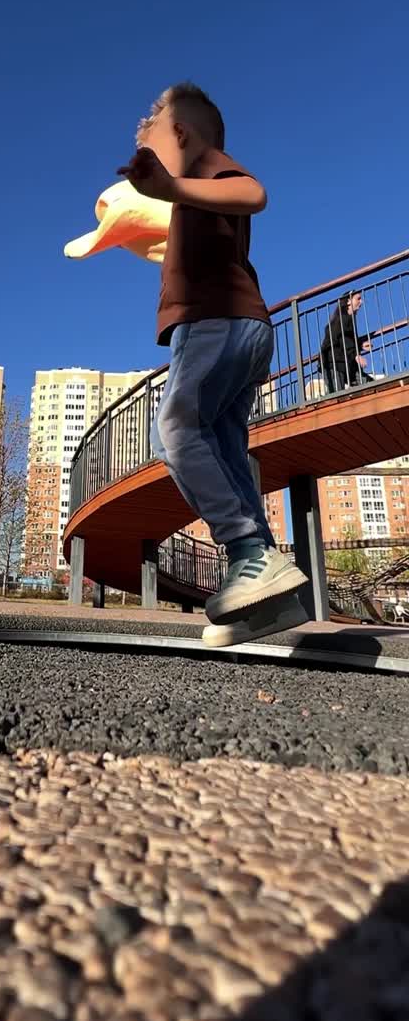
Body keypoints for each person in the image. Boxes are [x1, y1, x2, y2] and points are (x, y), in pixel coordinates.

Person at [118, 82, 307, 643]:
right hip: (233, 328)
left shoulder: (206, 164)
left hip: (218, 323)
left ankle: (247, 549)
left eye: (151, 150)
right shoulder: (189, 198)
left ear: (180, 134)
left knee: (175, 428)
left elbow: (254, 193)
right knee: (223, 445)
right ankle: (271, 603)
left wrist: (174, 183)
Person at [320, 291, 372, 392]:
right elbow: (342, 338)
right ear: (348, 301)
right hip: (333, 364)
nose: (361, 302)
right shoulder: (341, 319)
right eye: (358, 299)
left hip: (346, 362)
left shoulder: (348, 319)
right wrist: (356, 356)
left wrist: (360, 345)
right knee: (337, 398)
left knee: (368, 384)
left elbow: (346, 339)